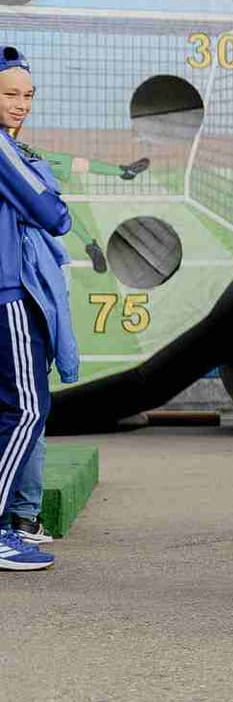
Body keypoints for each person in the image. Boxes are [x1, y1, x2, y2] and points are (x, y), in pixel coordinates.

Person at [0, 51, 78, 571]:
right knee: (27, 408)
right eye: (11, 94)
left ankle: (13, 523)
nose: (22, 104)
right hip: (7, 293)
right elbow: (54, 213)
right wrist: (41, 192)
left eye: (28, 95)